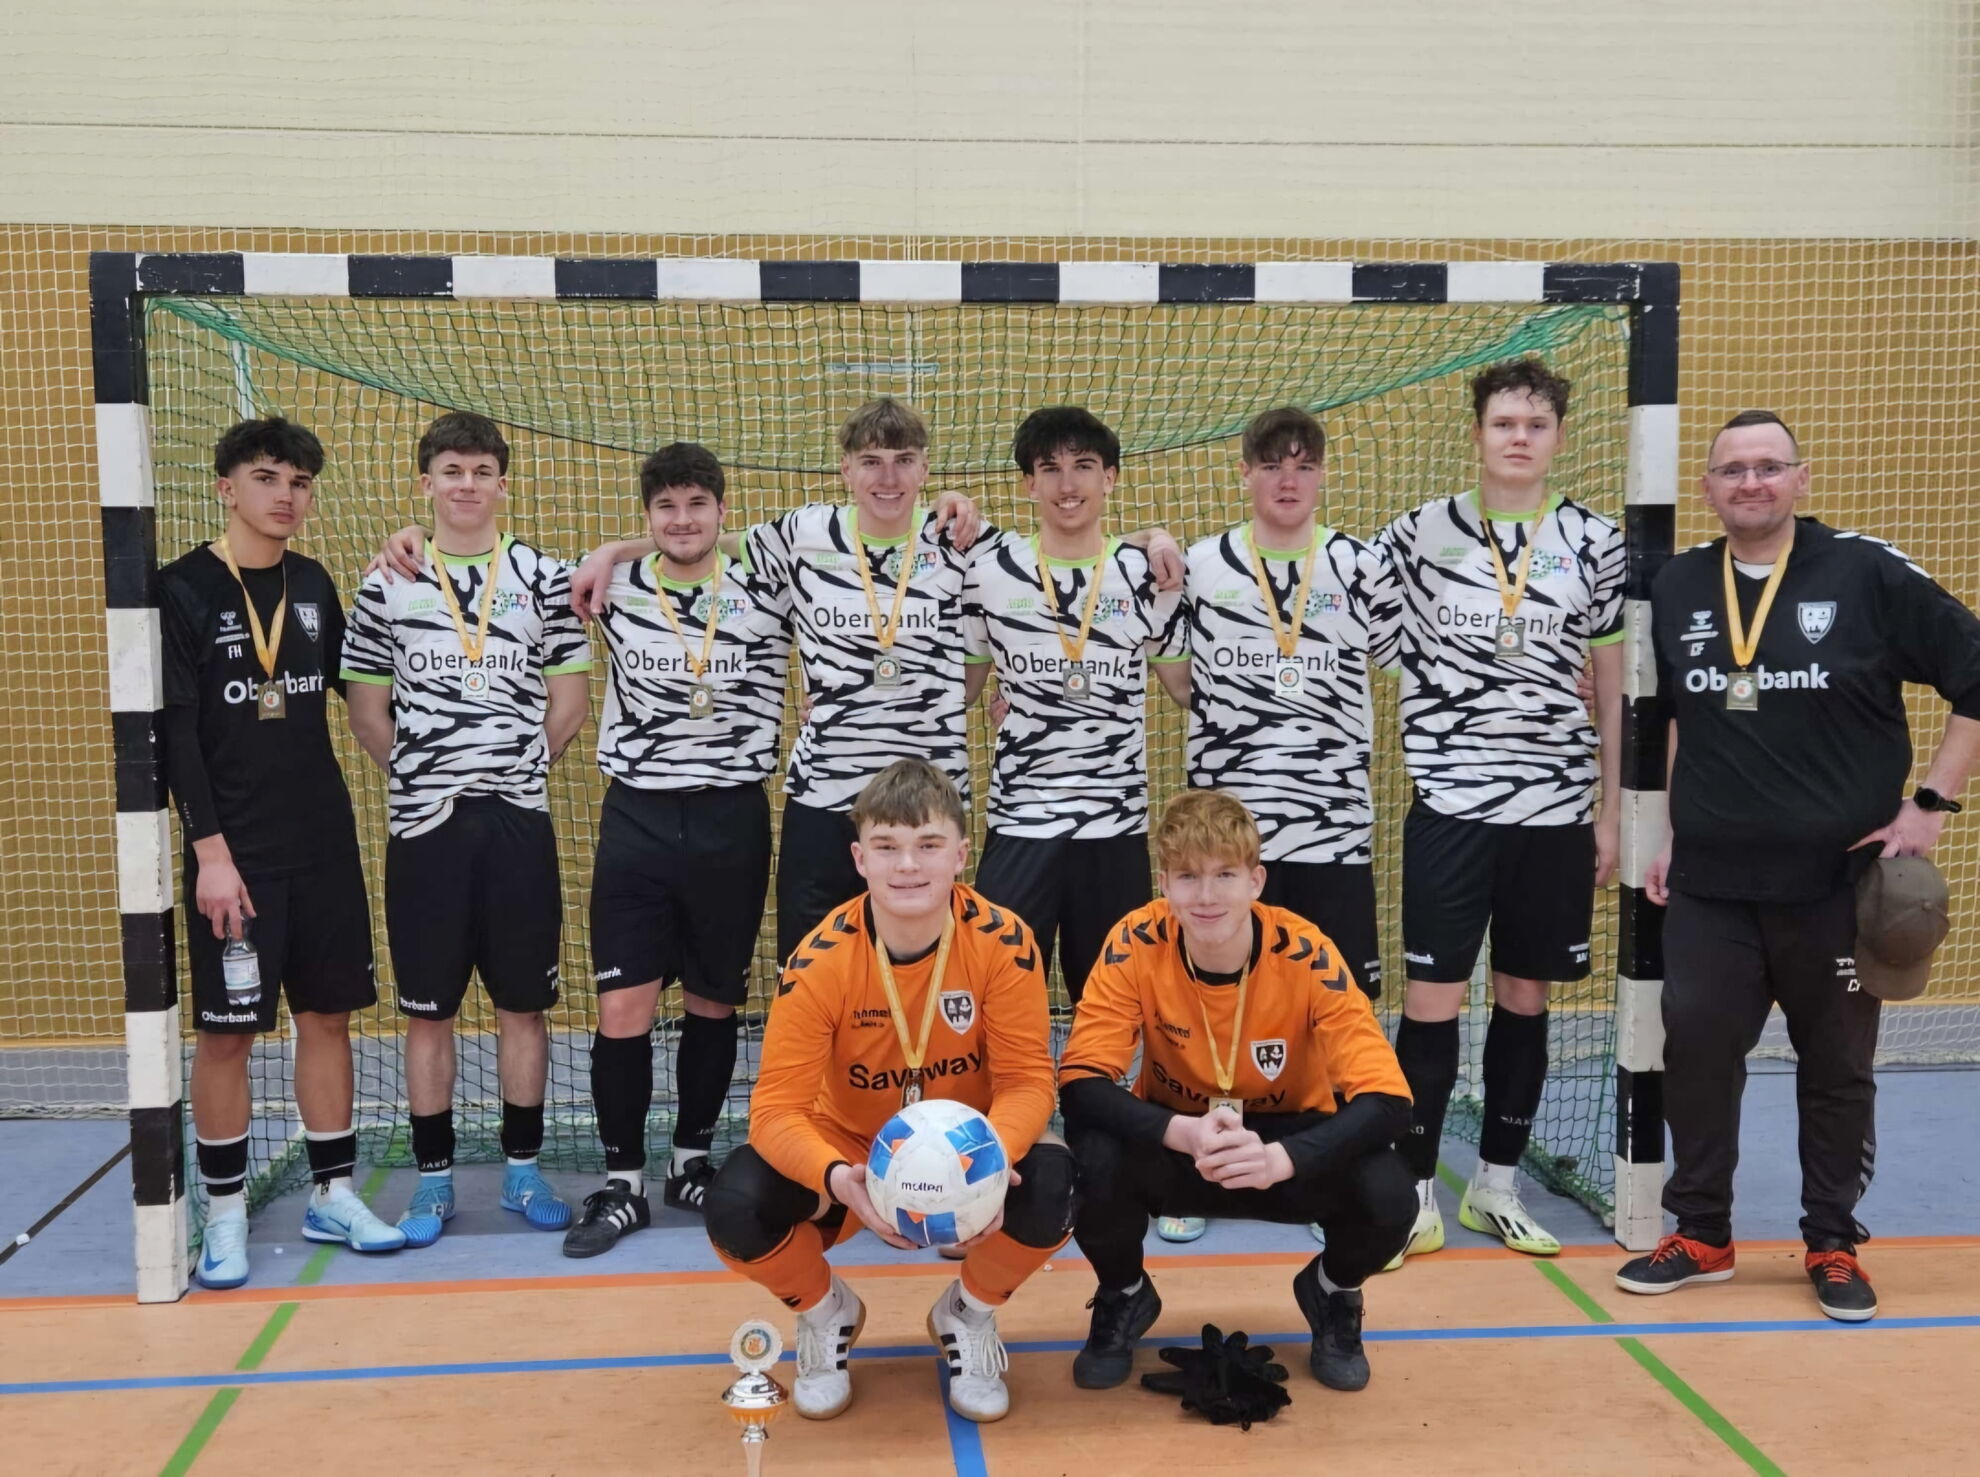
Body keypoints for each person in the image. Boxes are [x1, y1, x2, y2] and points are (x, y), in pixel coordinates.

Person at [1620, 410, 1980, 1321]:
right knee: (1697, 1052)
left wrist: (1930, 804)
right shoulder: (1679, 583)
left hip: (1838, 887)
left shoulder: (1864, 572)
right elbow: (1683, 717)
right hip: (1710, 886)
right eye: (1732, 469)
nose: (1751, 482)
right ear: (1708, 488)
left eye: (1768, 466)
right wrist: (1673, 833)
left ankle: (1832, 1240)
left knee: (1836, 1067)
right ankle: (1702, 1232)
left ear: (1800, 478)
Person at [702, 759, 1076, 1425]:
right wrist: (838, 1178)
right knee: (735, 1205)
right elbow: (776, 1111)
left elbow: (1027, 1081)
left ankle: (968, 1313)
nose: (907, 865)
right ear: (859, 858)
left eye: (928, 845)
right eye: (887, 846)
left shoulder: (1005, 942)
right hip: (851, 1149)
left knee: (1058, 1184)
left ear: (961, 854)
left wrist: (990, 1161)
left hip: (968, 1147)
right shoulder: (819, 960)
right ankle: (826, 1313)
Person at [1375, 358, 1624, 1263]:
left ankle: (1496, 1185)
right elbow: (1325, 590)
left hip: (1554, 810)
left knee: (1525, 997)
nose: (1519, 437)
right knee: (1430, 1001)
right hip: (1451, 805)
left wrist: (1610, 811)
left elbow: (1611, 685)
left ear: (1559, 436)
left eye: (1536, 424)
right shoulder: (1418, 534)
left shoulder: (1595, 542)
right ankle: (1413, 1194)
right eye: (1504, 423)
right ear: (1477, 433)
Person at [1059, 789, 1413, 1394]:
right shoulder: (1134, 941)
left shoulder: (1307, 952)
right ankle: (1124, 1293)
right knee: (1090, 1153)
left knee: (1389, 1190)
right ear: (1164, 883)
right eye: (1188, 877)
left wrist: (1283, 1158)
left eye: (1225, 875)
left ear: (1256, 881)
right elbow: (1080, 1083)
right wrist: (1180, 1132)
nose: (1206, 896)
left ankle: (1332, 1291)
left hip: (1284, 1144)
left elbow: (1390, 1102)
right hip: (1181, 1137)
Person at [161, 417, 404, 1288]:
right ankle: (225, 1212)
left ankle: (332, 1191)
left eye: (299, 482)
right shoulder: (182, 590)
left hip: (322, 843)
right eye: (267, 478)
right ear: (226, 488)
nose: (286, 496)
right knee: (228, 1035)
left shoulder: (314, 583)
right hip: (237, 854)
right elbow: (176, 736)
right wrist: (211, 853)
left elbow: (360, 680)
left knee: (328, 1016)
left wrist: (397, 573)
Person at [1147, 405, 1397, 1243]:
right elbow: (1176, 675)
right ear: (1246, 473)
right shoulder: (1202, 563)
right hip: (1230, 840)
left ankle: (1322, 1170)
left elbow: (1417, 657)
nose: (1288, 479)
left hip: (1332, 828)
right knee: (1204, 1001)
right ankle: (1193, 1174)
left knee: (1334, 1006)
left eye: (1303, 464)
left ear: (1322, 474)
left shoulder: (1360, 565)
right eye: (1272, 464)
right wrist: (1149, 537)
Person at [343, 411, 592, 1246]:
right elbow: (367, 712)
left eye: (482, 470)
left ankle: (523, 1170)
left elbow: (569, 702)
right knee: (429, 1012)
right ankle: (433, 1181)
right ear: (427, 482)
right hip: (426, 829)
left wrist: (515, 769)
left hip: (517, 822)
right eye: (451, 470)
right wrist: (426, 773)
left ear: (502, 484)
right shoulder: (387, 581)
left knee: (524, 1006)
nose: (467, 484)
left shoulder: (544, 577)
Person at [563, 443, 792, 1254]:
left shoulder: (768, 583)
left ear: (722, 511)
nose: (683, 519)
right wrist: (611, 550)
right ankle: (622, 1181)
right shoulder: (612, 585)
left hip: (733, 815)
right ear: (648, 515)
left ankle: (690, 1161)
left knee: (713, 1000)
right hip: (640, 818)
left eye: (698, 504)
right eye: (666, 506)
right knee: (623, 1005)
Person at [963, 406, 1177, 1002]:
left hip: (1114, 826)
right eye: (1049, 469)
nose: (1067, 484)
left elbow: (1186, 688)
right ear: (1029, 485)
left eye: (1083, 466)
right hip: (1021, 820)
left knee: (1111, 1004)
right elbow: (962, 686)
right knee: (1000, 997)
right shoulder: (992, 574)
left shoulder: (1145, 575)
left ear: (1110, 477)